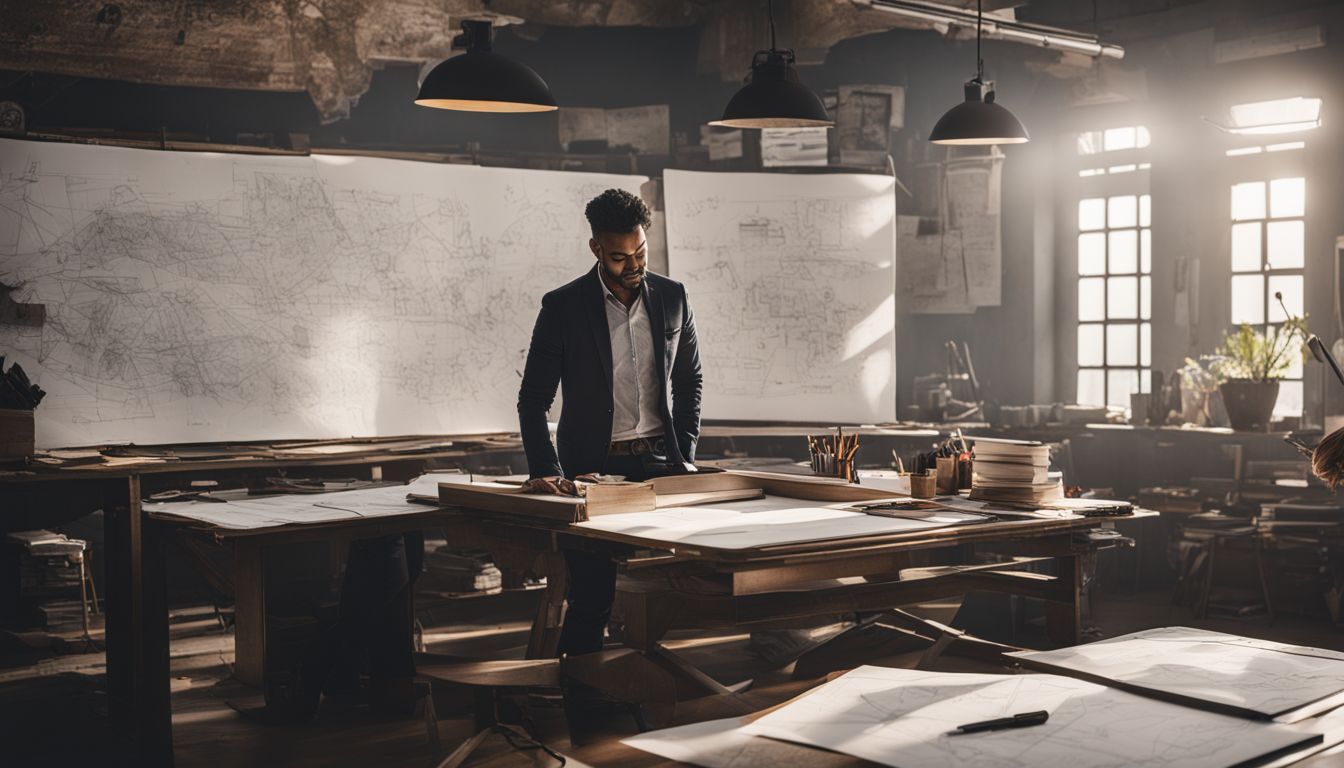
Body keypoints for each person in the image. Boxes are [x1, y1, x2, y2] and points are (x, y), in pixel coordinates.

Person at [517, 188, 702, 656]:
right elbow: (534, 398)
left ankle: (641, 685)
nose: (634, 264)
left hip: (662, 467)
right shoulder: (562, 307)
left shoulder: (673, 298)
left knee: (685, 588)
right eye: (620, 257)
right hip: (591, 471)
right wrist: (546, 471)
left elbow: (690, 379)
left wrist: (685, 455)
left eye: (640, 251)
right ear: (596, 248)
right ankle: (584, 700)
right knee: (592, 600)